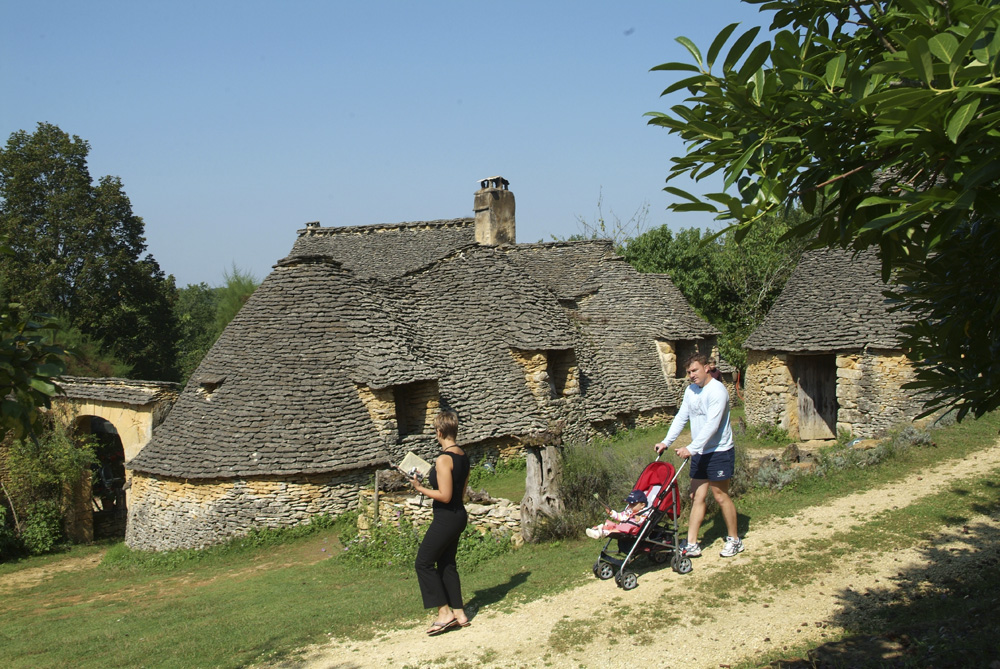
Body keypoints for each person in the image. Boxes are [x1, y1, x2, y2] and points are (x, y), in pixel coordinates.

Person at [655, 354, 744, 558]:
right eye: (688, 372)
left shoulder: (717, 391)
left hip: (719, 450)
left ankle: (734, 540)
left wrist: (691, 448)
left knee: (720, 496)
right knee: (697, 496)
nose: (691, 375)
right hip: (700, 452)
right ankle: (693, 544)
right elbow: (681, 417)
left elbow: (712, 425)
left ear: (706, 368)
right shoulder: (691, 391)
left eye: (694, 371)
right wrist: (666, 441)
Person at [410, 410, 472, 635]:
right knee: (446, 563)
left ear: (439, 431)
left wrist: (420, 489)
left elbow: (445, 495)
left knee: (423, 562)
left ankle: (444, 613)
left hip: (446, 516)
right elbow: (462, 491)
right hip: (459, 514)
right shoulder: (463, 456)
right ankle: (460, 613)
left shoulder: (444, 459)